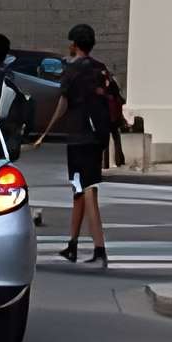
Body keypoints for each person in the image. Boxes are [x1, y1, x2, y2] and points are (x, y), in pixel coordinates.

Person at [33, 20, 117, 266]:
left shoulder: (71, 71)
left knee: (88, 189)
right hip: (98, 136)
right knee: (78, 189)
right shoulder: (101, 69)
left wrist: (44, 132)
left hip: (80, 136)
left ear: (74, 45)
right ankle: (72, 244)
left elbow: (63, 104)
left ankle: (99, 247)